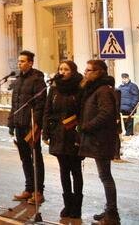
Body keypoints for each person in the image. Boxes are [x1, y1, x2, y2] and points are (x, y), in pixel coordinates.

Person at [79, 59, 121, 225]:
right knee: (104, 175)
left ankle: (112, 214)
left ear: (98, 73)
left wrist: (87, 126)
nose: (85, 73)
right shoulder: (94, 89)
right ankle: (109, 209)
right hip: (98, 138)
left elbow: (106, 113)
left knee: (105, 176)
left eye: (89, 70)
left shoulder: (103, 90)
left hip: (101, 139)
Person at [43, 60, 84, 219]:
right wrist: (46, 132)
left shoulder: (80, 88)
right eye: (60, 69)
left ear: (73, 71)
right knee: (63, 170)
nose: (62, 72)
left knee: (76, 170)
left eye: (66, 69)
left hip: (73, 134)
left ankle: (77, 206)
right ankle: (67, 204)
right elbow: (47, 112)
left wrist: (79, 132)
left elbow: (83, 112)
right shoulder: (54, 89)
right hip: (58, 134)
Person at [7, 50, 47, 205]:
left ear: (30, 63)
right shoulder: (18, 80)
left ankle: (39, 191)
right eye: (19, 61)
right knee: (25, 158)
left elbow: (40, 105)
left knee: (36, 158)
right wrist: (11, 122)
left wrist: (35, 124)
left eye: (23, 61)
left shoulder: (37, 80)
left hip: (30, 125)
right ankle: (28, 188)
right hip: (19, 124)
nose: (19, 64)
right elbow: (14, 104)